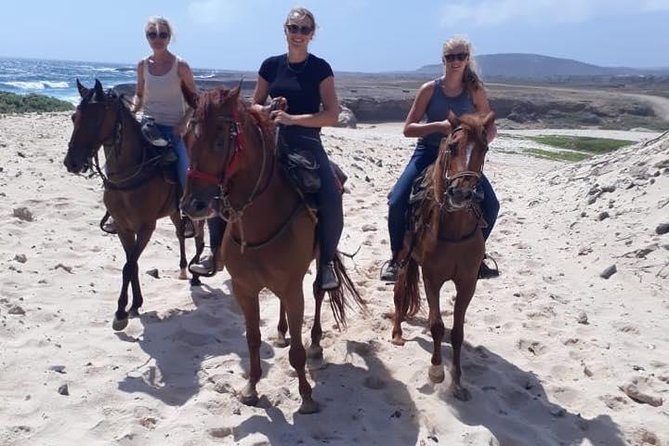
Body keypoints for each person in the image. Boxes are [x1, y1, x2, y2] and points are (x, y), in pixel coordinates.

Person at [193, 7, 343, 289]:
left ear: (312, 34)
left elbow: (332, 115)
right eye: (293, 28)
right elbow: (253, 104)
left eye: (304, 29)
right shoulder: (270, 65)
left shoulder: (320, 68)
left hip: (306, 142)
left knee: (331, 196)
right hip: (268, 139)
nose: (298, 34)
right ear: (284, 30)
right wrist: (270, 108)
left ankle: (326, 265)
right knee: (223, 184)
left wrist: (292, 119)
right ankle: (215, 253)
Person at [380, 35, 500, 282]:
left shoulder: (475, 90)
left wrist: (478, 144)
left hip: (461, 159)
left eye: (461, 57)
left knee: (492, 204)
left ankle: (478, 257)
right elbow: (408, 128)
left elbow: (489, 125)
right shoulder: (429, 89)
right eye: (450, 57)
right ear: (443, 60)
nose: (455, 62)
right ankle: (396, 258)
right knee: (397, 200)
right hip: (428, 152)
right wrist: (437, 126)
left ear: (467, 59)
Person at [102, 16, 196, 237]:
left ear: (169, 37)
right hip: (148, 126)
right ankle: (115, 213)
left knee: (185, 171)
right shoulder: (143, 65)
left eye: (162, 34)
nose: (157, 39)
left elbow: (195, 100)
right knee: (113, 165)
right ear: (147, 38)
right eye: (152, 35)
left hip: (173, 129)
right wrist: (135, 108)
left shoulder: (180, 66)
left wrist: (184, 123)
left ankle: (188, 216)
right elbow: (140, 93)